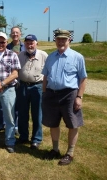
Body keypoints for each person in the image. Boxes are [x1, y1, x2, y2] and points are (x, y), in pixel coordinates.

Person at [42, 29, 87, 165]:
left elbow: (83, 78)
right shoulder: (50, 57)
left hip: (69, 95)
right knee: (53, 123)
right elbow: (45, 77)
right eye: (58, 39)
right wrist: (44, 93)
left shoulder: (77, 57)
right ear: (55, 40)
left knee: (73, 124)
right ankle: (55, 150)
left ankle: (70, 153)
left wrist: (79, 97)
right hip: (51, 94)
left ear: (69, 40)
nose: (61, 41)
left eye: (64, 39)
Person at [16, 34, 48, 149]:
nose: (29, 45)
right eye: (27, 43)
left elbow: (48, 73)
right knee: (23, 113)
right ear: (24, 44)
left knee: (37, 114)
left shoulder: (43, 55)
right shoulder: (20, 55)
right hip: (23, 86)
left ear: (36, 43)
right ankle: (23, 136)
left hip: (37, 87)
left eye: (32, 42)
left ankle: (36, 139)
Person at [0, 26, 26, 133]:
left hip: (20, 78)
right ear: (10, 34)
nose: (15, 34)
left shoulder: (24, 46)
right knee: (3, 103)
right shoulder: (6, 45)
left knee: (17, 104)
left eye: (17, 32)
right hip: (7, 79)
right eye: (13, 32)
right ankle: (2, 123)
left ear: (20, 34)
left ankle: (16, 126)